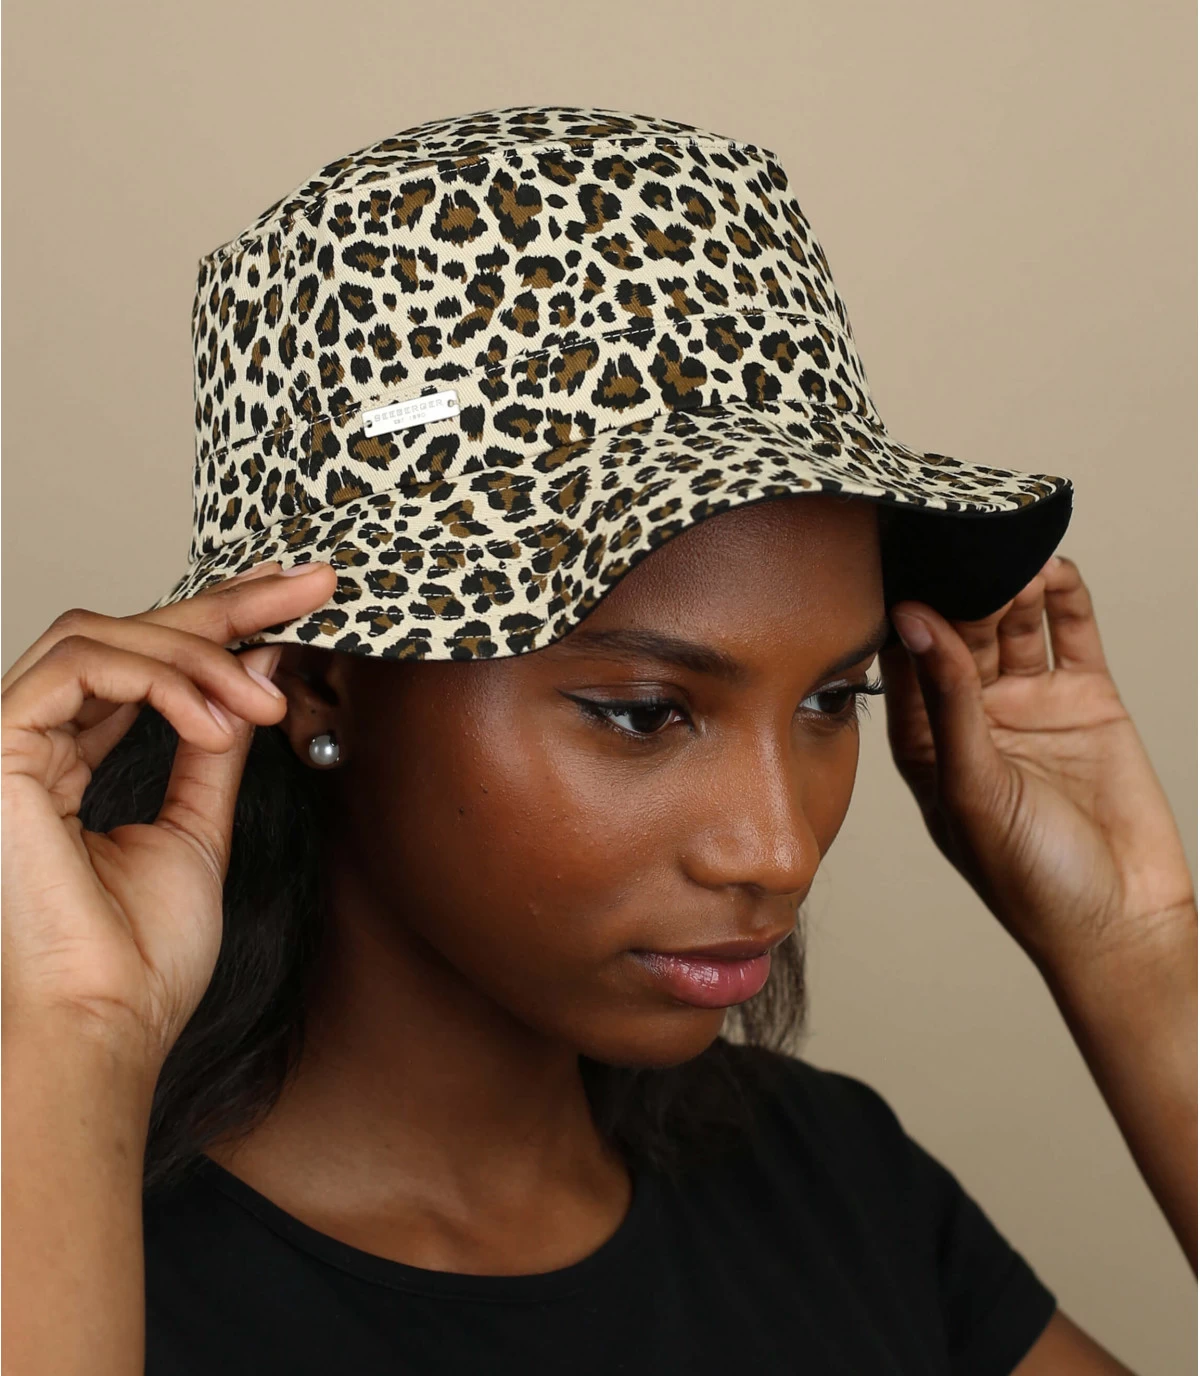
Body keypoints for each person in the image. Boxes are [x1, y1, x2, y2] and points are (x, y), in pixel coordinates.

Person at [3, 106, 1193, 1376]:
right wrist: (73, 1031)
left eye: (828, 700)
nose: (778, 848)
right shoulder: (67, 1247)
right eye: (643, 712)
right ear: (313, 683)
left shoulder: (833, 1185)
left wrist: (1137, 943)